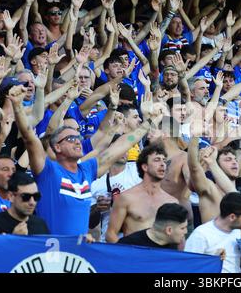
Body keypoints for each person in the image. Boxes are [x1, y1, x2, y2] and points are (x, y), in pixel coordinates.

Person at [9, 84, 158, 235]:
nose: (77, 141)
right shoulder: (47, 171)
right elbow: (29, 137)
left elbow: (124, 143)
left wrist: (149, 121)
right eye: (70, 138)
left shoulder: (87, 169)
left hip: (78, 254)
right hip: (51, 251)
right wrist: (17, 106)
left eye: (78, 137)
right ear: (57, 147)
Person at [106, 143, 179, 243]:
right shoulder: (126, 198)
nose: (162, 164)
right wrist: (126, 255)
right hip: (134, 255)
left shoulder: (172, 202)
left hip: (161, 257)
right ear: (145, 167)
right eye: (157, 160)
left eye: (164, 161)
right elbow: (111, 234)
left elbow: (178, 237)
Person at [184, 192, 241, 273]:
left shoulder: (239, 232)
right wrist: (212, 260)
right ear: (232, 217)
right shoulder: (201, 235)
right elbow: (188, 266)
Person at [0, 171, 49, 235]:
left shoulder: (40, 224)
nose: (32, 202)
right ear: (11, 196)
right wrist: (13, 239)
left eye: (36, 196)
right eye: (26, 197)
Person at [118, 203, 188, 250]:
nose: (186, 232)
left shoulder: (173, 243)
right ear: (169, 230)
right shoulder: (128, 246)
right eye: (182, 228)